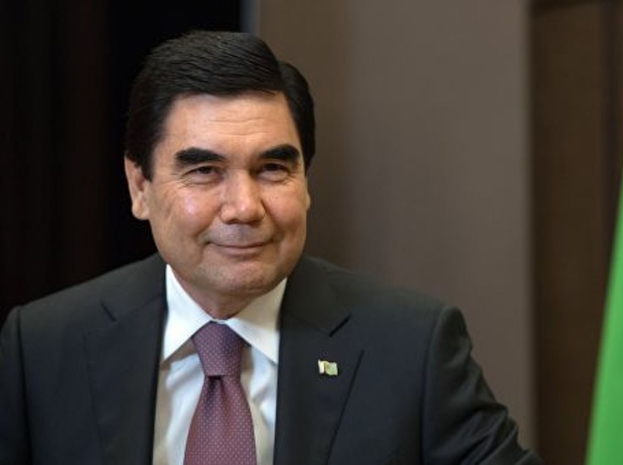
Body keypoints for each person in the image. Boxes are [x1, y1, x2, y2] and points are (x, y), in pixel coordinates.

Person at [0, 31, 541, 465]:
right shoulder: (44, 348)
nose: (244, 207)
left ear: (306, 183)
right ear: (140, 187)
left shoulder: (410, 348)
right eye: (205, 171)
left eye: (273, 168)